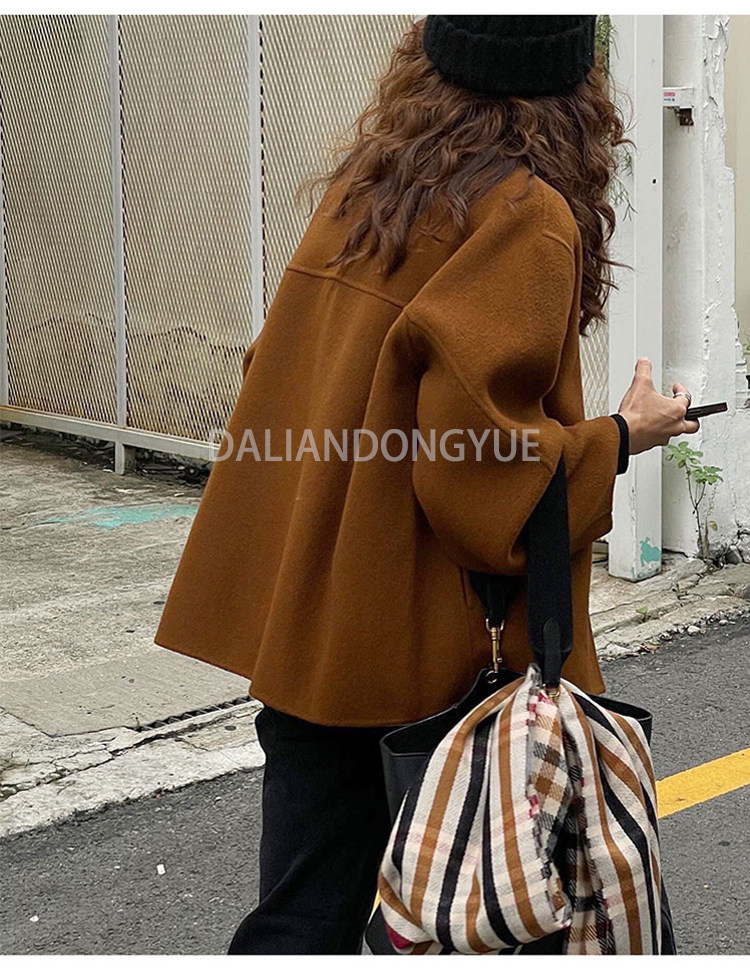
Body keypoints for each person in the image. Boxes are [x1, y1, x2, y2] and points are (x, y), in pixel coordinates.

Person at [154, 15, 699, 955]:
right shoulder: (523, 214)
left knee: (301, 917)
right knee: (478, 916)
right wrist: (622, 436)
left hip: (316, 635)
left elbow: (271, 373)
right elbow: (485, 480)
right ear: (578, 88)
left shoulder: (373, 184)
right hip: (427, 663)